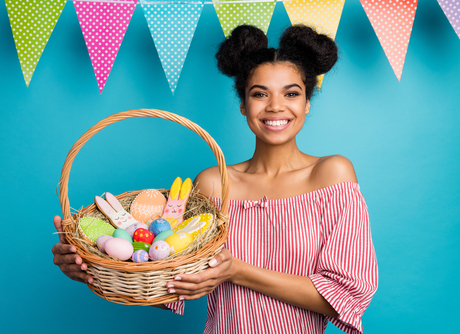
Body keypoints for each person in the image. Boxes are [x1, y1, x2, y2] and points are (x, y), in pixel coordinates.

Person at [52, 24, 378, 334]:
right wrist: (91, 268)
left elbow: (342, 297)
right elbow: (171, 281)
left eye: (291, 94)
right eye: (260, 94)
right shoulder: (212, 184)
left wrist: (238, 271)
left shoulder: (331, 174)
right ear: (243, 104)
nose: (276, 106)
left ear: (307, 103)